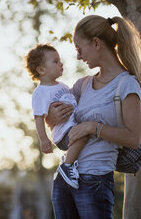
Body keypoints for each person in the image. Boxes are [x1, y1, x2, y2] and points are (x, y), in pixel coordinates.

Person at [46, 15, 141, 218]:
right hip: (64, 179)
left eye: (79, 49)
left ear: (96, 43)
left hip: (95, 182)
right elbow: (55, 119)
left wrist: (92, 127)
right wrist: (50, 114)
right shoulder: (82, 85)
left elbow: (133, 138)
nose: (78, 57)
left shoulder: (127, 84)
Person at [24, 44, 89, 189]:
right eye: (55, 61)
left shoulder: (63, 86)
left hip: (72, 126)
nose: (61, 63)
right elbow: (39, 118)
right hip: (63, 133)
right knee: (83, 135)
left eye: (59, 60)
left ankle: (72, 164)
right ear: (41, 69)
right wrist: (43, 139)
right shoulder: (40, 92)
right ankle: (66, 166)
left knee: (85, 133)